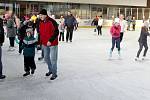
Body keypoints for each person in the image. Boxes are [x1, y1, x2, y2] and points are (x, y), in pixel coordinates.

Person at [39, 9, 59, 80]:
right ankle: (50, 70)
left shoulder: (52, 21)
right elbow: (40, 33)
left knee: (53, 59)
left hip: (53, 43)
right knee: (46, 58)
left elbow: (56, 32)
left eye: (41, 15)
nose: (40, 16)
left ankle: (54, 73)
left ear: (45, 15)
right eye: (39, 15)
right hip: (44, 43)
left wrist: (50, 40)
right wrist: (40, 43)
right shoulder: (40, 22)